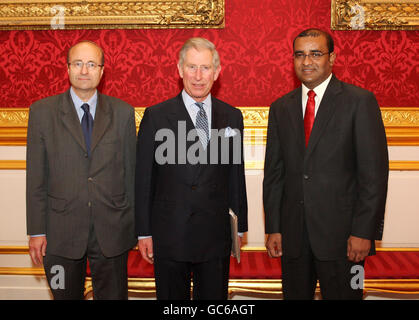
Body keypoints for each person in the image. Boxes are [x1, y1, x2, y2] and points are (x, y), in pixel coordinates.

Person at [263, 29, 389, 300]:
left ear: (332, 57)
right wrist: (273, 227)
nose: (306, 61)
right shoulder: (280, 108)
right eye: (300, 55)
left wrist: (363, 232)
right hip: (293, 239)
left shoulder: (360, 102)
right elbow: (274, 173)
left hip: (346, 240)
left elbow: (373, 176)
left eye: (315, 54)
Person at [135, 37, 248, 300]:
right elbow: (144, 180)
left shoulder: (232, 117)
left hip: (215, 237)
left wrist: (239, 227)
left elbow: (235, 176)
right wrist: (143, 231)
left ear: (217, 72)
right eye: (192, 67)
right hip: (169, 235)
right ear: (179, 69)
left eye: (206, 68)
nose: (198, 76)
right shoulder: (156, 116)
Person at [26, 40, 137, 300]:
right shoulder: (42, 113)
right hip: (59, 233)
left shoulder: (123, 113)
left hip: (112, 231)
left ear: (102, 71)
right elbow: (36, 178)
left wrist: (136, 230)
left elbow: (131, 175)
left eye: (91, 64)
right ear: (67, 69)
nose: (84, 71)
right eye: (77, 63)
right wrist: (36, 231)